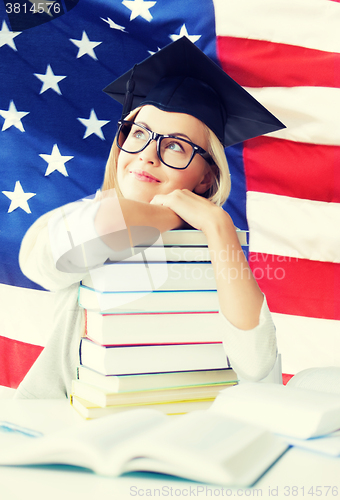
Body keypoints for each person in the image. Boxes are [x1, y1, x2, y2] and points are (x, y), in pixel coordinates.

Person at [15, 37, 284, 399]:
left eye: (175, 145)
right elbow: (97, 231)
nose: (147, 155)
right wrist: (170, 214)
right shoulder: (77, 217)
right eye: (139, 133)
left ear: (207, 176)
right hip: (67, 418)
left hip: (179, 426)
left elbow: (256, 368)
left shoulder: (220, 243)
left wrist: (220, 229)